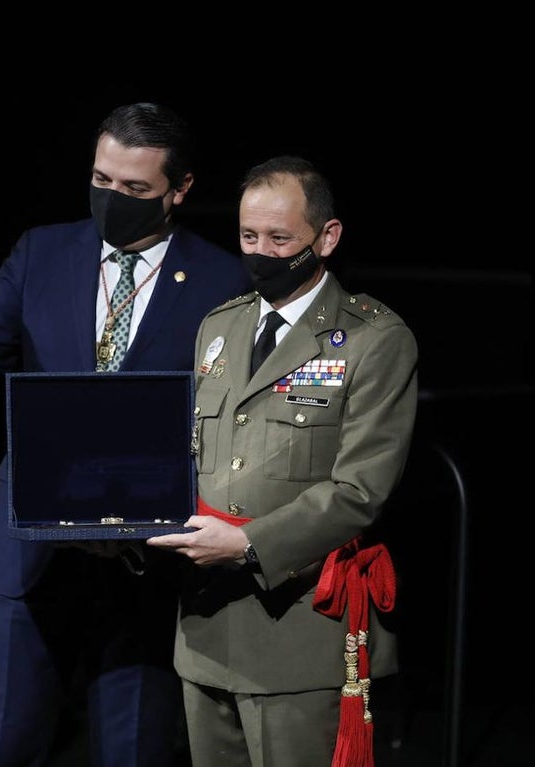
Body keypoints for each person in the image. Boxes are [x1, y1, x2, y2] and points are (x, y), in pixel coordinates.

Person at [0, 102, 252, 766]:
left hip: (145, 558)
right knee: (4, 744)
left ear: (180, 190)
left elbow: (228, 408)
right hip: (31, 547)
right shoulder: (42, 250)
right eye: (101, 179)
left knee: (133, 748)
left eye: (135, 189)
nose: (112, 198)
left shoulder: (221, 281)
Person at [146, 155, 419, 766]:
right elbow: (189, 457)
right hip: (205, 626)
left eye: (279, 238)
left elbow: (360, 489)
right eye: (248, 236)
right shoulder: (219, 327)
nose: (261, 251)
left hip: (298, 631)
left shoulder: (375, 339)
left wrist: (247, 545)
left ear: (326, 237)